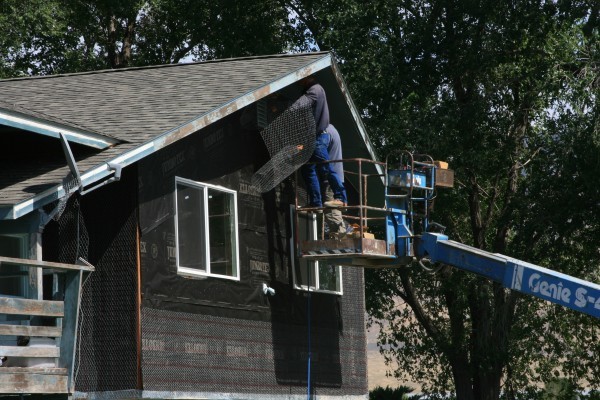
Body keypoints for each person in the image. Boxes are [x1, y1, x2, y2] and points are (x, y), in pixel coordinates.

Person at [299, 77, 347, 209]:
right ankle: (316, 203)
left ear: (309, 78)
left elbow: (299, 105)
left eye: (301, 79)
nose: (299, 82)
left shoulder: (314, 90)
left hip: (318, 138)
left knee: (326, 167)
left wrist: (283, 104)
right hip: (312, 138)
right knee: (307, 168)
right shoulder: (313, 90)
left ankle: (340, 197)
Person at [321, 124, 349, 237]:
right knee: (333, 208)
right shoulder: (332, 128)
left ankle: (341, 234)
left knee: (331, 210)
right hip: (336, 175)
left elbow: (320, 151)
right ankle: (341, 232)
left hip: (330, 178)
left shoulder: (325, 132)